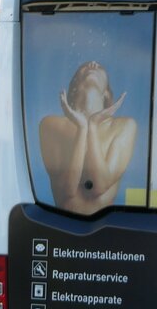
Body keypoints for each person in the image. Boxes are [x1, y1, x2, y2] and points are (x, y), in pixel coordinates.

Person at [39, 61, 138, 216]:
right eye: (83, 67)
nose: (92, 64)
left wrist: (91, 126)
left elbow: (99, 185)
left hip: (105, 232)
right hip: (62, 226)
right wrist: (82, 128)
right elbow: (68, 190)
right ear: (74, 87)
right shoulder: (51, 124)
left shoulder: (124, 126)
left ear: (106, 92)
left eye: (99, 67)